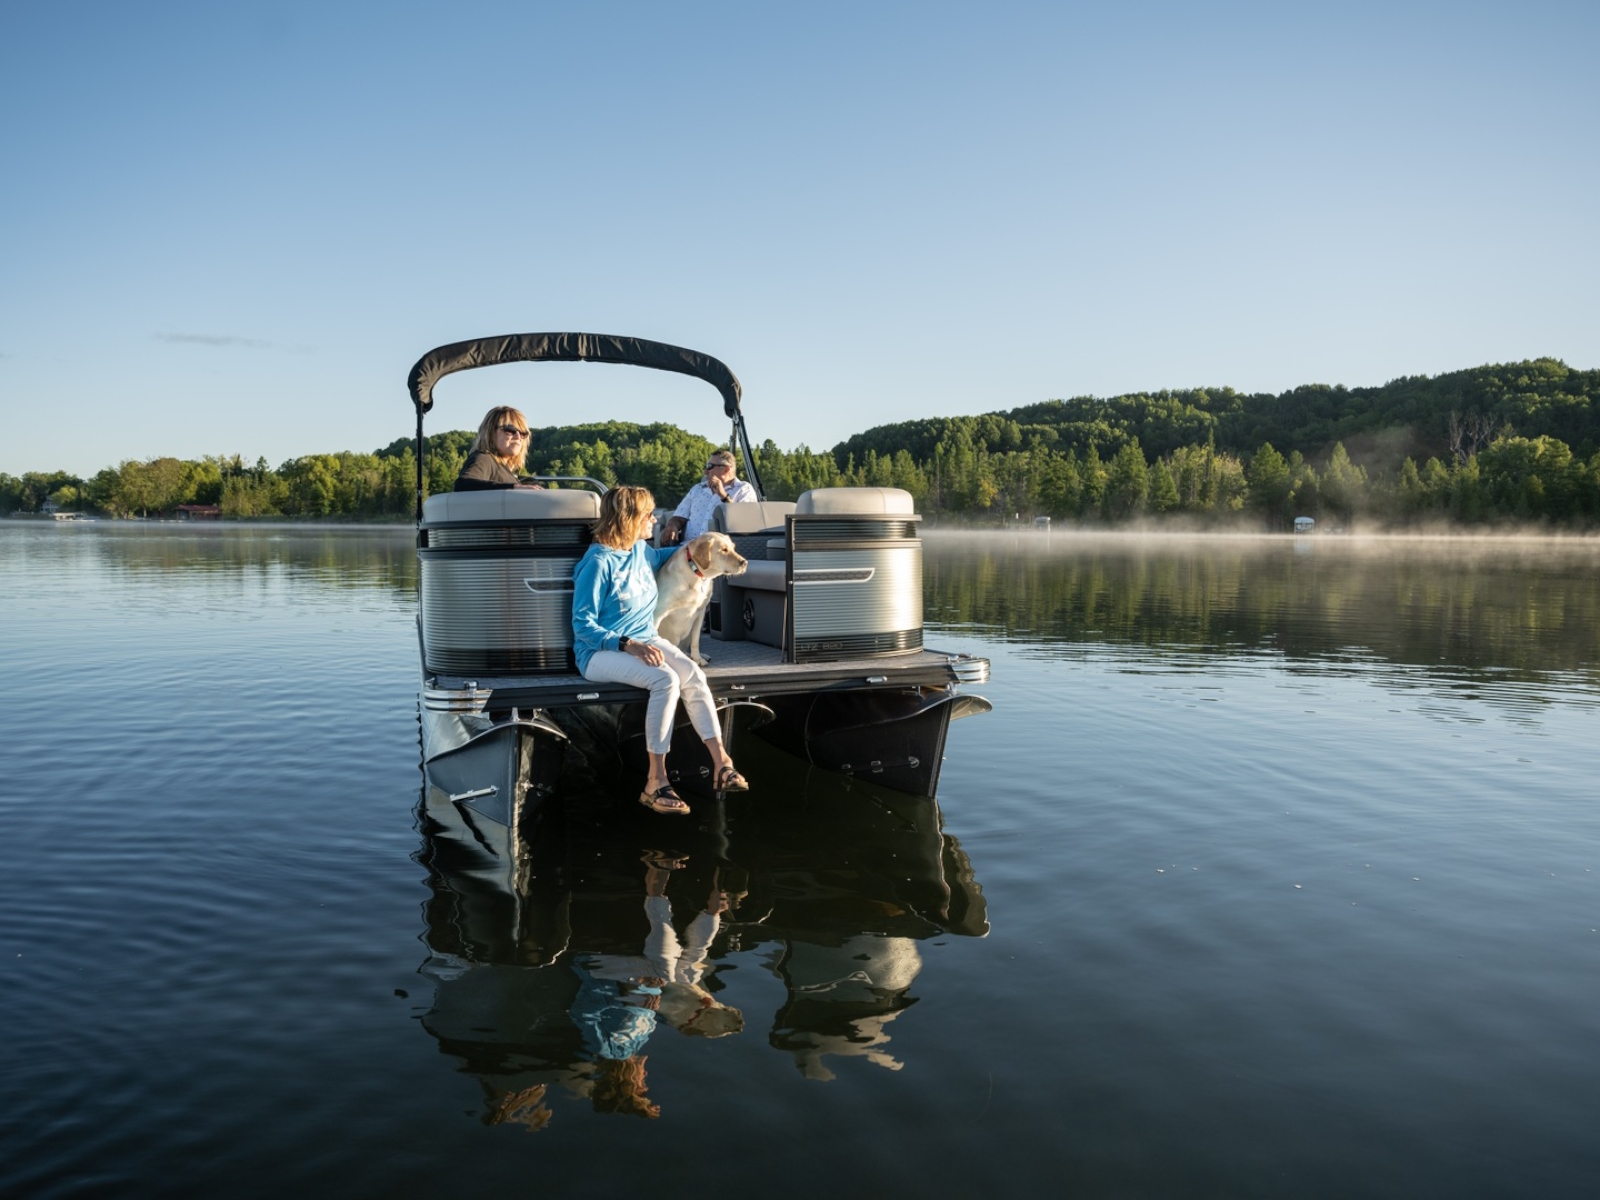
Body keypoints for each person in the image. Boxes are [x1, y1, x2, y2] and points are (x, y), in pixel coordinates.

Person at [571, 485, 749, 813]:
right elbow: (582, 626)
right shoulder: (597, 563)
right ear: (628, 519)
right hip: (598, 652)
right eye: (648, 515)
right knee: (665, 680)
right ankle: (655, 782)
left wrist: (708, 549)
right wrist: (628, 644)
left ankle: (722, 763)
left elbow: (684, 553)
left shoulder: (642, 552)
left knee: (692, 674)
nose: (655, 520)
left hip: (645, 639)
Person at [662, 448, 756, 543]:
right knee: (657, 552)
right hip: (687, 546)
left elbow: (743, 523)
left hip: (718, 548)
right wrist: (672, 525)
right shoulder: (697, 489)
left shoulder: (744, 489)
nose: (705, 471)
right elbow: (678, 517)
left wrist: (723, 496)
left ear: (726, 469)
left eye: (709, 466)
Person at [454, 406, 544, 491]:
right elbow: (463, 485)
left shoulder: (502, 468)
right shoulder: (484, 458)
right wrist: (513, 487)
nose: (518, 437)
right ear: (490, 432)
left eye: (523, 433)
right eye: (510, 430)